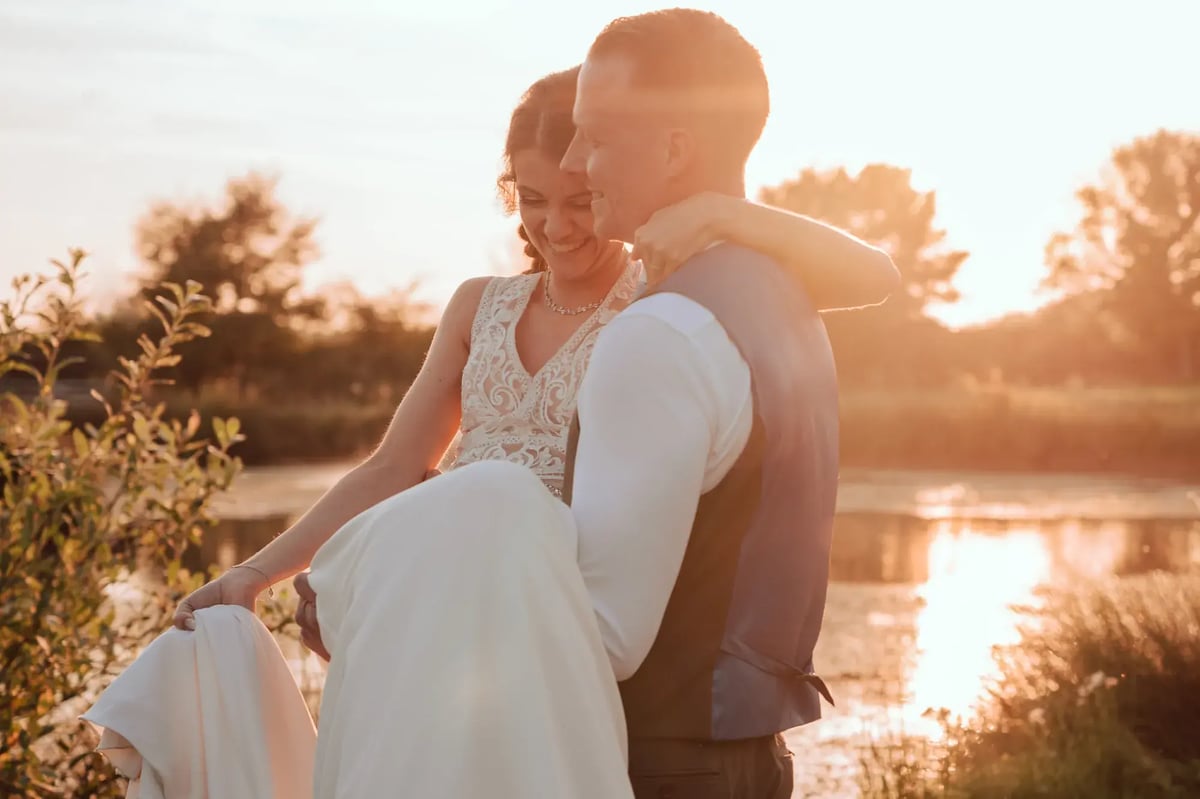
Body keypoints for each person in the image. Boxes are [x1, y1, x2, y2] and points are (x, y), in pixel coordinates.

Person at [292, 9, 852, 798]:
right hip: (750, 755)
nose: (581, 163)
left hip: (657, 760)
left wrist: (377, 594)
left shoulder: (651, 334)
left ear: (675, 149)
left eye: (595, 136)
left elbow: (603, 633)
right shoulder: (781, 294)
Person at [172, 65, 896, 631]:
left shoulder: (663, 301)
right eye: (532, 198)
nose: (556, 225)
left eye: (579, 201)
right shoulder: (476, 306)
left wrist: (720, 212)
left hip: (553, 630)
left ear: (610, 182)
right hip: (435, 600)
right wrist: (254, 574)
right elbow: (395, 466)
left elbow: (873, 274)